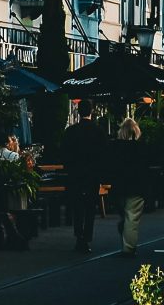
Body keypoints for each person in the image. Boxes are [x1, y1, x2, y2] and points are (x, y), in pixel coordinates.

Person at [57, 108, 110, 252]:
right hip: (92, 174)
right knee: (90, 207)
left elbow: (63, 152)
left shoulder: (71, 131)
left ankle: (79, 234)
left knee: (77, 206)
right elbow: (104, 153)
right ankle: (87, 237)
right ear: (91, 112)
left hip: (75, 174)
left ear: (79, 113)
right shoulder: (98, 131)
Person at [113, 117, 151, 256]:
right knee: (132, 218)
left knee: (125, 215)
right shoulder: (141, 147)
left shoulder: (115, 147)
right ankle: (128, 248)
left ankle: (125, 234)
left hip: (119, 188)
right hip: (137, 187)